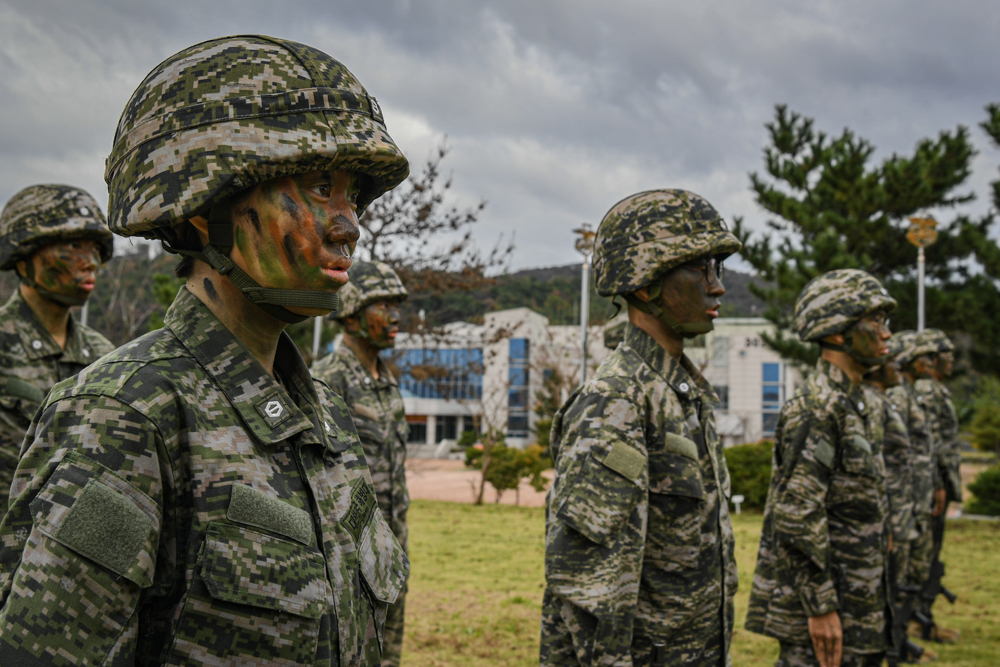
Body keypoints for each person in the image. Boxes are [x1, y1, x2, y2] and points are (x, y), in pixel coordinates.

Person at [0, 35, 410, 666]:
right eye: (319, 188)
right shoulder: (126, 414)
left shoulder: (325, 414)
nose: (349, 223)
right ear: (203, 211)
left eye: (352, 195)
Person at [540, 189, 742, 667]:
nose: (717, 287)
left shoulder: (677, 392)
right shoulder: (617, 400)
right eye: (700, 269)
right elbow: (591, 592)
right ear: (645, 284)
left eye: (719, 269)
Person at [746, 269, 895, 667]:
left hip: (859, 605)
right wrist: (820, 607)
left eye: (886, 322)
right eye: (875, 321)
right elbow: (796, 511)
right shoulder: (818, 407)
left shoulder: (857, 402)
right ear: (835, 333)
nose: (887, 334)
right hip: (829, 613)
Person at [312, 260, 410, 667]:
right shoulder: (327, 379)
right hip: (349, 547)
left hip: (393, 540)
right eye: (383, 305)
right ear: (351, 313)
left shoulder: (386, 379)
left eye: (396, 305)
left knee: (389, 649)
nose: (395, 317)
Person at [0, 184, 115, 516]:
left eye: (95, 248)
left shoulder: (103, 356)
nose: (91, 262)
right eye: (74, 246)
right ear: (24, 257)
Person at [886, 331, 941, 621]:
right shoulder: (897, 394)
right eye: (924, 357)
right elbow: (895, 454)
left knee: (916, 565)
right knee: (901, 569)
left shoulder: (911, 392)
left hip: (915, 497)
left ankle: (911, 627)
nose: (929, 363)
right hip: (902, 499)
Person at [912, 328, 961, 644]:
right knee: (924, 557)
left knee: (931, 556)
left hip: (936, 483)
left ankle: (924, 620)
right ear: (930, 359)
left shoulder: (936, 390)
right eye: (947, 354)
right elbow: (929, 442)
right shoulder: (928, 391)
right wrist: (939, 484)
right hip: (932, 486)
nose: (952, 360)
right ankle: (919, 622)